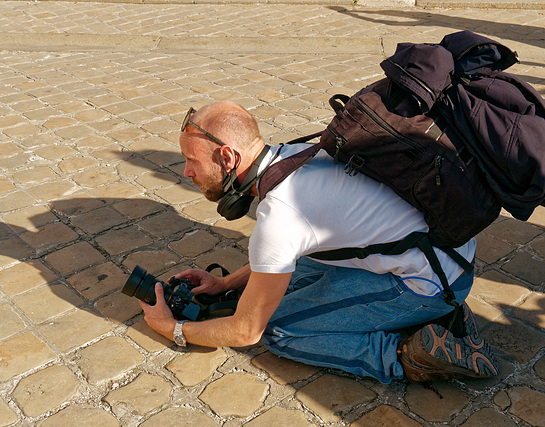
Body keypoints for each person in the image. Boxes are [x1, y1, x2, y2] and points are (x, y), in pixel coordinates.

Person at [140, 102, 499, 384]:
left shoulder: (280, 214)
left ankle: (410, 356)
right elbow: (281, 259)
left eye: (191, 161)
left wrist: (173, 330)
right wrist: (225, 284)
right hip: (448, 254)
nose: (186, 172)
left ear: (228, 158)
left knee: (280, 329)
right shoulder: (300, 153)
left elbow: (246, 331)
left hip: (433, 284)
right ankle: (430, 318)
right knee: (292, 278)